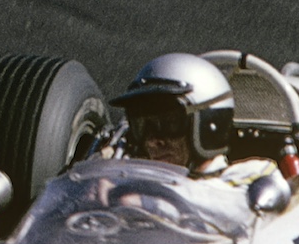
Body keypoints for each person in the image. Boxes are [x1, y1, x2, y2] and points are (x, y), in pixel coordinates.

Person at [108, 53, 275, 186]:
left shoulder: (254, 176)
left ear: (207, 124)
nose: (152, 141)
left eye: (169, 124)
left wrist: (140, 198)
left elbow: (224, 200)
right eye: (142, 126)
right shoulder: (134, 178)